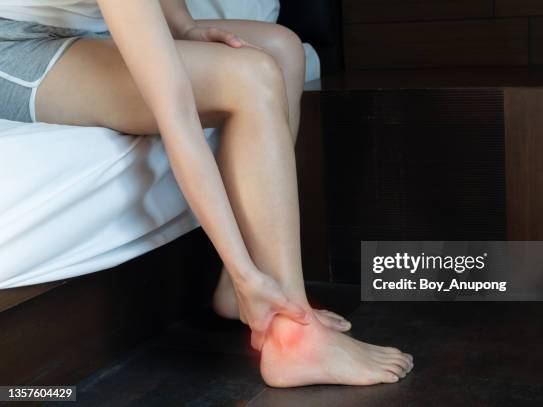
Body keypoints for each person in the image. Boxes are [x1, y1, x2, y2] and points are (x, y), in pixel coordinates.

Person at [0, 0, 413, 387]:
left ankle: (254, 293)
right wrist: (243, 270)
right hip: (15, 47)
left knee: (282, 49)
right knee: (249, 76)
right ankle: (294, 333)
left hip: (83, 30)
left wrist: (184, 26)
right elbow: (176, 114)